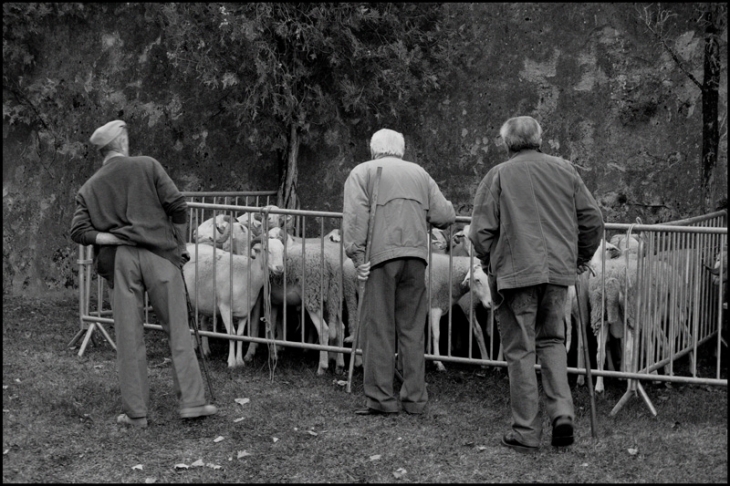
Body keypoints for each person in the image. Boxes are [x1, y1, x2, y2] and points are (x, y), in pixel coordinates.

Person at [468, 116, 603, 451]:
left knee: (520, 350)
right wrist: (579, 258)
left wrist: (489, 264)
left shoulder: (498, 175)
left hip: (516, 274)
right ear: (540, 139)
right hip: (558, 272)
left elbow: (479, 233)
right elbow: (593, 220)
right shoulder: (565, 170)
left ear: (506, 143)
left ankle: (527, 431)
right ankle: (563, 415)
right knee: (553, 341)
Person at [70, 120, 217, 427]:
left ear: (102, 150)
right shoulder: (147, 165)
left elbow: (79, 232)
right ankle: (192, 403)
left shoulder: (90, 187)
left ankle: (136, 413)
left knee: (128, 335)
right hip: (161, 256)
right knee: (178, 329)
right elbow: (178, 205)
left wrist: (115, 237)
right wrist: (180, 244)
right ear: (122, 141)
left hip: (122, 261)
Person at [343, 128, 456, 415]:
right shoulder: (419, 173)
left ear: (373, 149)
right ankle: (415, 398)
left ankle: (381, 398)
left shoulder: (363, 172)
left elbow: (356, 218)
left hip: (380, 258)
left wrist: (357, 257)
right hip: (416, 258)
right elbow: (444, 215)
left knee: (379, 328)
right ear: (401, 150)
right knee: (411, 328)